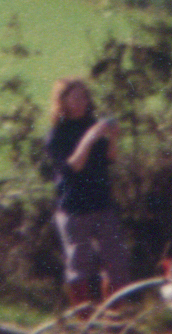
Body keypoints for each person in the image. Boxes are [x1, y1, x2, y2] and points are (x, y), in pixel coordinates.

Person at [44, 77, 129, 315]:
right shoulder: (57, 134)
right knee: (79, 266)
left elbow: (110, 159)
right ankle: (84, 322)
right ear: (62, 101)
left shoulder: (92, 124)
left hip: (102, 202)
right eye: (76, 97)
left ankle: (113, 317)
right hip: (73, 208)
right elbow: (74, 166)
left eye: (85, 97)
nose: (82, 102)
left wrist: (113, 137)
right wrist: (90, 137)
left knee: (116, 262)